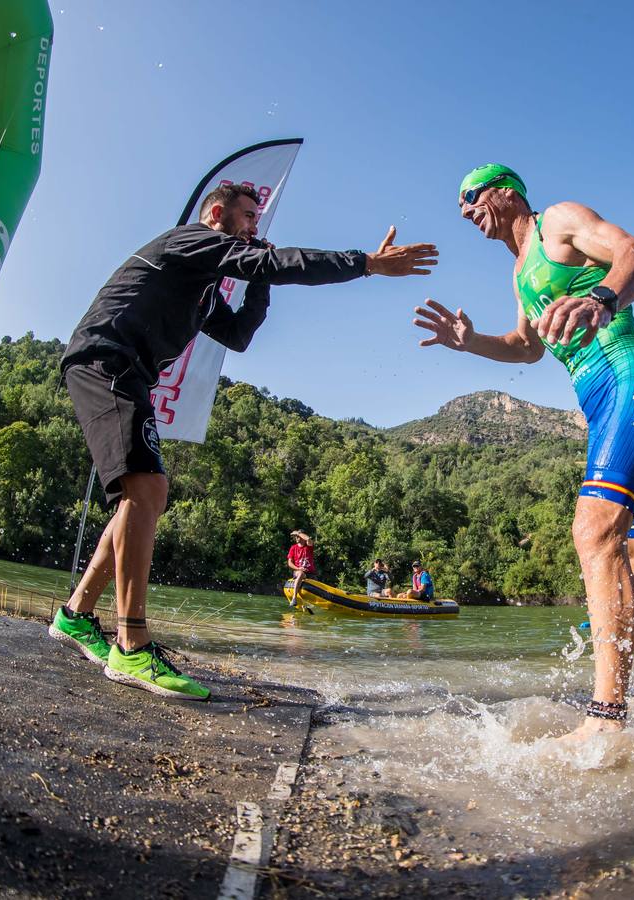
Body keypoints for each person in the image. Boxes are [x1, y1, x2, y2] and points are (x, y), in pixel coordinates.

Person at [50, 183, 437, 701]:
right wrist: (366, 263)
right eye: (249, 216)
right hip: (107, 359)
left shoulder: (206, 285)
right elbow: (271, 265)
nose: (256, 225)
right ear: (218, 213)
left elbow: (238, 335)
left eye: (258, 218)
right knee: (148, 490)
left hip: (128, 371)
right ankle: (131, 644)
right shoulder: (189, 242)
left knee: (137, 500)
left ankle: (76, 615)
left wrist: (263, 273)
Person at [413, 165, 634, 741]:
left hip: (633, 376)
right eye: (460, 206)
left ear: (505, 191)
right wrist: (470, 343)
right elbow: (526, 348)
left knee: (591, 533)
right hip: (603, 401)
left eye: (471, 197)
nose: (465, 211)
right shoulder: (520, 274)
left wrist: (604, 298)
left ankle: (606, 718)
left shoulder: (557, 223)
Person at [287, 530, 316, 608]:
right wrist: (298, 568)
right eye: (296, 536)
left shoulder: (309, 546)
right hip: (298, 571)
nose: (297, 537)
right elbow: (289, 563)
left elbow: (308, 539)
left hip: (310, 573)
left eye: (298, 536)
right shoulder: (293, 548)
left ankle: (310, 605)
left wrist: (298, 533)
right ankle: (294, 598)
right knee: (300, 573)